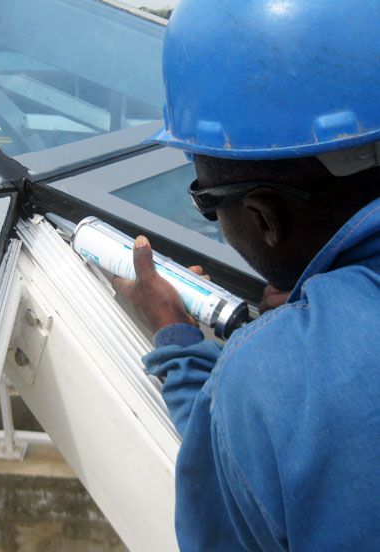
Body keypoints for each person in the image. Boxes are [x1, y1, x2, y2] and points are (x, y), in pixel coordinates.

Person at [113, 1, 380, 550]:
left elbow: (239, 491)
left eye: (208, 203)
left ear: (263, 216)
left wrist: (185, 345)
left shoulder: (268, 381)